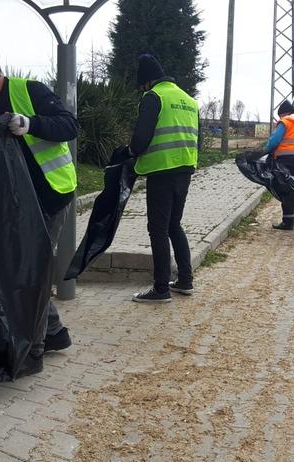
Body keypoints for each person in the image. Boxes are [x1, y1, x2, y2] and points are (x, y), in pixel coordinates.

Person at [0, 43, 77, 353]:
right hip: (15, 203)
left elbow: (69, 125)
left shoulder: (29, 90)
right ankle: (54, 331)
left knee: (33, 270)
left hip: (50, 193)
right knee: (21, 269)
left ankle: (34, 346)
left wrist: (30, 124)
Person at [127, 54, 199, 304]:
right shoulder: (188, 99)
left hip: (162, 170)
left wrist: (130, 152)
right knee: (174, 225)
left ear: (147, 81)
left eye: (141, 86)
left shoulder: (154, 97)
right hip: (185, 168)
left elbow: (141, 137)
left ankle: (160, 289)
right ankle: (185, 280)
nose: (142, 90)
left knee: (158, 229)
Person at [264, 100, 294, 230]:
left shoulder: (285, 122)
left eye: (280, 116)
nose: (279, 118)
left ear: (283, 113)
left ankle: (288, 221)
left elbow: (274, 141)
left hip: (286, 159)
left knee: (286, 188)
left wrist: (266, 151)